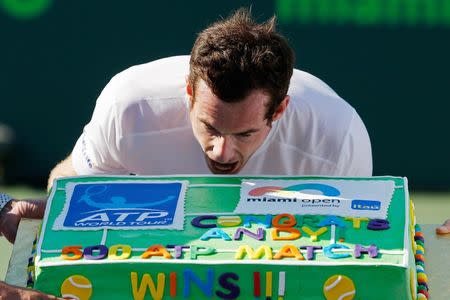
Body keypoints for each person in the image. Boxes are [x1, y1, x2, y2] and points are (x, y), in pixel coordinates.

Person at [0, 8, 376, 298]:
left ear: (278, 111)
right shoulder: (130, 105)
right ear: (189, 94)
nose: (222, 152)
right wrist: (62, 205)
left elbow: (351, 256)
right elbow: (73, 188)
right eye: (210, 127)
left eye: (244, 132)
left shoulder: (336, 137)